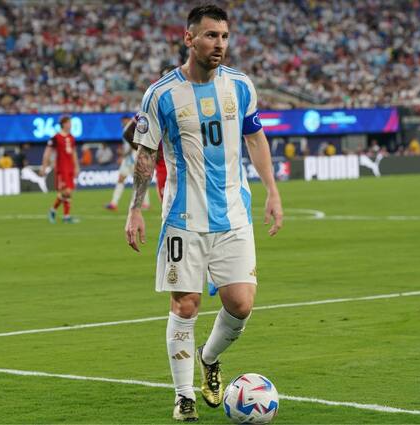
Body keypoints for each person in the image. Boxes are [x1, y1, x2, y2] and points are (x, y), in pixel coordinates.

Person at [124, 5, 283, 421]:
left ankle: (208, 357)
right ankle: (184, 396)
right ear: (188, 38)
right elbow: (145, 156)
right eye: (211, 36)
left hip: (234, 214)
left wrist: (272, 192)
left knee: (241, 304)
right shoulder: (161, 94)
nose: (220, 45)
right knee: (186, 304)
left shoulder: (241, 87)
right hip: (183, 218)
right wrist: (135, 209)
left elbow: (256, 139)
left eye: (225, 36)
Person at [41, 116, 80, 223]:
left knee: (68, 192)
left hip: (70, 168)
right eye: (69, 123)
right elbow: (47, 152)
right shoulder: (55, 137)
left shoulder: (72, 137)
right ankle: (55, 212)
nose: (71, 125)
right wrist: (44, 166)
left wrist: (76, 166)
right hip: (61, 168)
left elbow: (74, 153)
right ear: (64, 124)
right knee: (66, 191)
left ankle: (63, 215)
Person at [106, 117, 150, 211]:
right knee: (122, 179)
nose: (123, 123)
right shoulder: (125, 131)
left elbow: (133, 145)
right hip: (127, 159)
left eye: (125, 121)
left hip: (134, 157)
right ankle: (114, 203)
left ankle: (145, 203)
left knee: (139, 180)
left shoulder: (133, 130)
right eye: (122, 121)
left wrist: (123, 154)